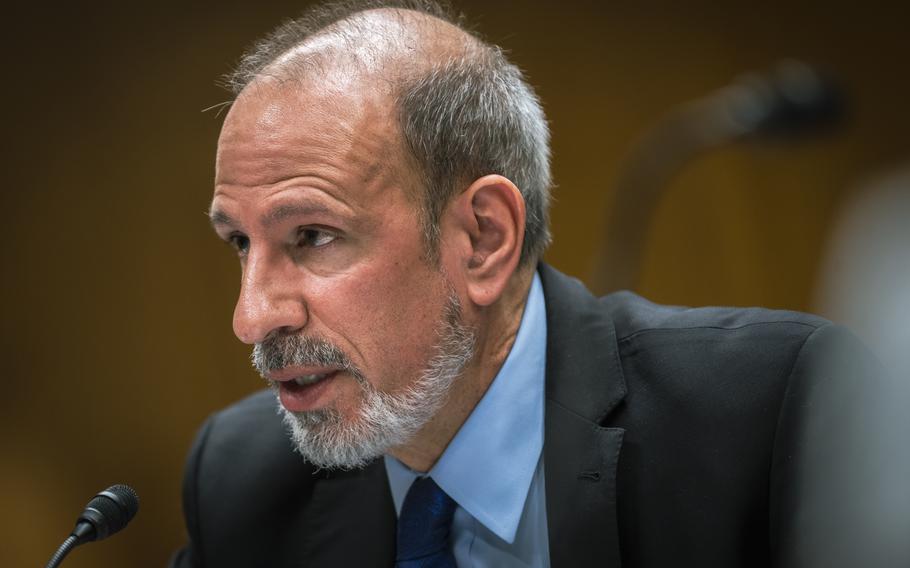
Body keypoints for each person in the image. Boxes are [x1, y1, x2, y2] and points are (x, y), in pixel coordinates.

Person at [171, 1, 879, 566]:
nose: (253, 316)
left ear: (484, 238)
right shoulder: (239, 482)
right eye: (240, 241)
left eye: (313, 236)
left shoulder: (770, 413)